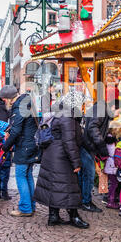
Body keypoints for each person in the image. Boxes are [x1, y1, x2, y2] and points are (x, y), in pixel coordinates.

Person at [33, 94, 89, 229]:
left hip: (51, 155)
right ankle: (74, 216)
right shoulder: (67, 118)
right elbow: (69, 142)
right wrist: (76, 163)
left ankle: (53, 216)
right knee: (69, 186)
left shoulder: (59, 114)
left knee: (55, 185)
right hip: (61, 157)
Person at [2, 86, 41, 217]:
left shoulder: (19, 107)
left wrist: (5, 147)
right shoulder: (28, 102)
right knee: (28, 175)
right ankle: (31, 205)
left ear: (8, 99)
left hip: (24, 145)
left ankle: (25, 207)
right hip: (32, 144)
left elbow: (17, 130)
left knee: (20, 176)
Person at [80, 99, 121, 213]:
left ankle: (82, 200)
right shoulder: (101, 109)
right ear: (114, 107)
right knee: (88, 176)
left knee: (85, 175)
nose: (117, 115)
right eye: (118, 112)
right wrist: (101, 145)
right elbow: (93, 128)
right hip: (87, 147)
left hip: (88, 146)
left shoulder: (102, 110)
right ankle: (86, 202)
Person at [103, 121, 121, 209]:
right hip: (112, 164)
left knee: (114, 183)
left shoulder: (110, 138)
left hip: (111, 164)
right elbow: (113, 152)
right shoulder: (111, 140)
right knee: (114, 183)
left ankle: (112, 199)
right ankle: (110, 201)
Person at [0, 120, 11, 201]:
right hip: (6, 161)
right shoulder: (6, 138)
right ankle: (4, 194)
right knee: (5, 178)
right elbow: (11, 148)